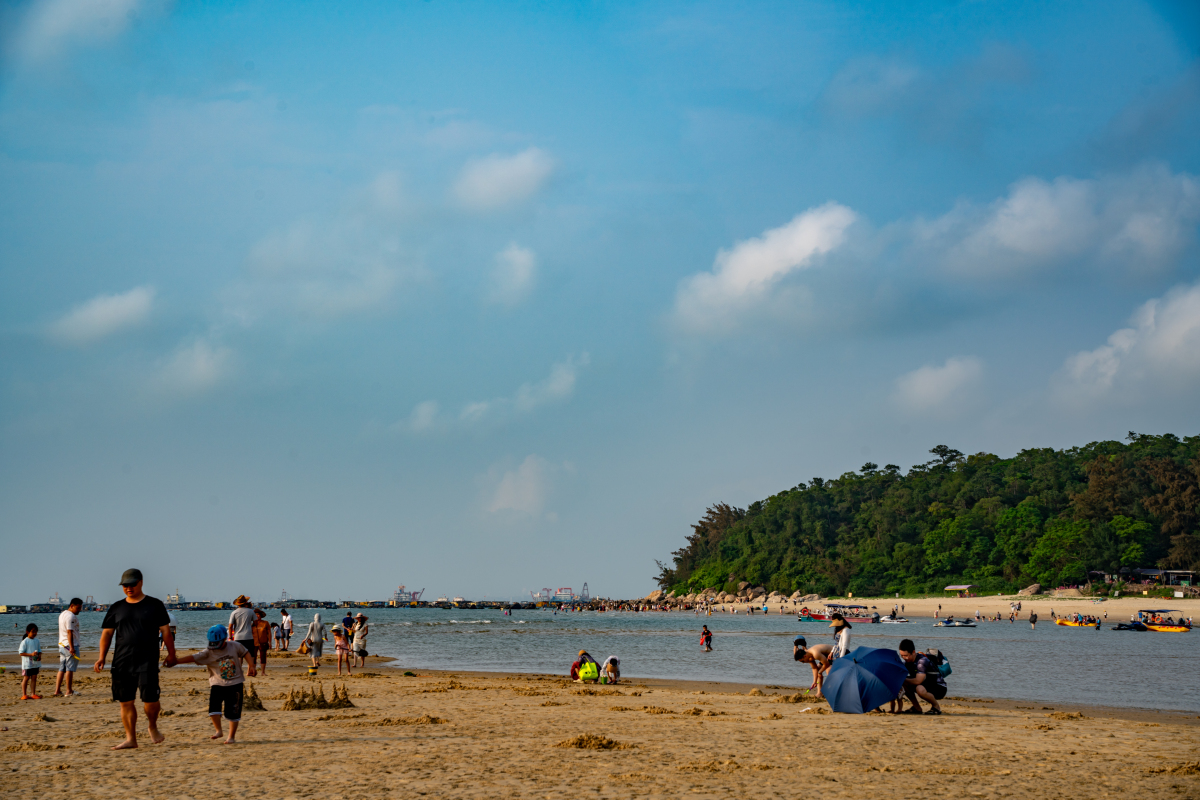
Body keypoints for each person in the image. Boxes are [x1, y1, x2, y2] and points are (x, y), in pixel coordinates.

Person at [95, 568, 175, 749]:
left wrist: (172, 654)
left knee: (151, 701)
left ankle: (152, 726)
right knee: (126, 702)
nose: (128, 588)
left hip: (147, 660)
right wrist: (101, 657)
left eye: (132, 584)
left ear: (141, 582)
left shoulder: (154, 605)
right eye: (125, 585)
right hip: (121, 662)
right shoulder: (116, 607)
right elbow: (107, 634)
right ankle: (131, 738)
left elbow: (166, 632)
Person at [168, 624, 256, 744]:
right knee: (213, 710)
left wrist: (251, 665)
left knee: (234, 712)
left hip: (235, 684)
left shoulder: (234, 646)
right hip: (217, 684)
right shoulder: (209, 652)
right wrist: (177, 661)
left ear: (225, 638)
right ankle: (218, 730)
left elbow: (245, 652)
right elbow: (193, 657)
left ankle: (231, 737)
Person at [897, 639, 946, 715]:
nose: (904, 658)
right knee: (903, 683)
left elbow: (918, 681)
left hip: (939, 688)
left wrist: (902, 680)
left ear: (913, 652)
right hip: (926, 684)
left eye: (906, 655)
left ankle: (936, 707)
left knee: (918, 687)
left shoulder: (922, 660)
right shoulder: (907, 662)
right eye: (902, 655)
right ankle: (917, 708)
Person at [53, 598, 83, 697]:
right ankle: (69, 691)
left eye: (80, 608)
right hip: (69, 645)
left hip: (62, 644)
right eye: (78, 608)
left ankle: (57, 691)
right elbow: (69, 632)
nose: (79, 610)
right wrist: (72, 648)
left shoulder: (62, 614)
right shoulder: (70, 616)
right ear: (71, 606)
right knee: (69, 668)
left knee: (62, 668)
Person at [227, 596, 257, 665]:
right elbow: (256, 623)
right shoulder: (250, 611)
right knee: (251, 654)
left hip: (238, 637)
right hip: (248, 636)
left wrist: (231, 637)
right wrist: (250, 625)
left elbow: (230, 627)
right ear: (245, 602)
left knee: (239, 656)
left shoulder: (234, 613)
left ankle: (239, 670)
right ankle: (250, 669)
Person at [19, 623, 42, 700]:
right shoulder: (25, 641)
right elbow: (21, 653)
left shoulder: (37, 641)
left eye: (36, 631)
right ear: (28, 632)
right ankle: (24, 694)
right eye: (33, 631)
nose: (35, 633)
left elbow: (39, 650)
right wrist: (31, 654)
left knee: (34, 677)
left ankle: (33, 694)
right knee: (26, 678)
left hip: (35, 663)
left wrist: (39, 655)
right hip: (27, 664)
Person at [251, 608, 272, 676]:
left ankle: (263, 672)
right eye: (256, 615)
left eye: (258, 614)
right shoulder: (251, 624)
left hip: (263, 642)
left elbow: (269, 633)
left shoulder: (265, 623)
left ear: (261, 615)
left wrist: (270, 642)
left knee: (263, 657)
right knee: (253, 658)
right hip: (254, 643)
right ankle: (253, 671)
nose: (257, 616)